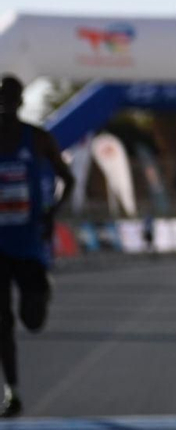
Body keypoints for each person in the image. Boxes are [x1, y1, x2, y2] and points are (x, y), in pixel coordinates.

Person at [0, 75, 74, 418]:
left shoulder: (39, 138)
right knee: (2, 322)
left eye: (11, 99)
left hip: (29, 242)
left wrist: (50, 215)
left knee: (32, 321)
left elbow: (68, 179)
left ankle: (43, 290)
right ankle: (11, 392)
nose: (5, 105)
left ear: (20, 102)